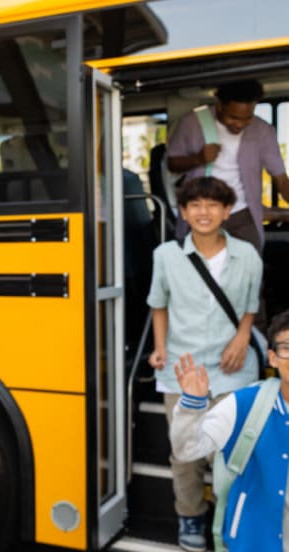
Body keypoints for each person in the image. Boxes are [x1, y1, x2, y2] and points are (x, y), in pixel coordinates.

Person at [147, 176, 263, 551]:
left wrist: (243, 335)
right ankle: (192, 516)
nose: (204, 212)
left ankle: (231, 516)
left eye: (213, 205)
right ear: (182, 212)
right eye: (195, 205)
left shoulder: (247, 254)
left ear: (227, 211)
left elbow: (250, 305)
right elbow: (158, 304)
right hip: (182, 370)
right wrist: (159, 348)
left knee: (232, 453)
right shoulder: (165, 255)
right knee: (185, 454)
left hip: (234, 366)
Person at [169, 309, 289, 552]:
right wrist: (192, 406)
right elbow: (187, 450)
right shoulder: (247, 403)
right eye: (286, 347)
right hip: (253, 543)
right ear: (272, 358)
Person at [167, 79, 289, 254]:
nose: (239, 124)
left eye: (247, 118)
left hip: (244, 214)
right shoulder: (191, 122)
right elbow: (172, 164)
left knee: (250, 271)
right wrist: (197, 158)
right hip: (203, 214)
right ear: (220, 106)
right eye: (233, 117)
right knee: (202, 274)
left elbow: (281, 180)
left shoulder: (263, 131)